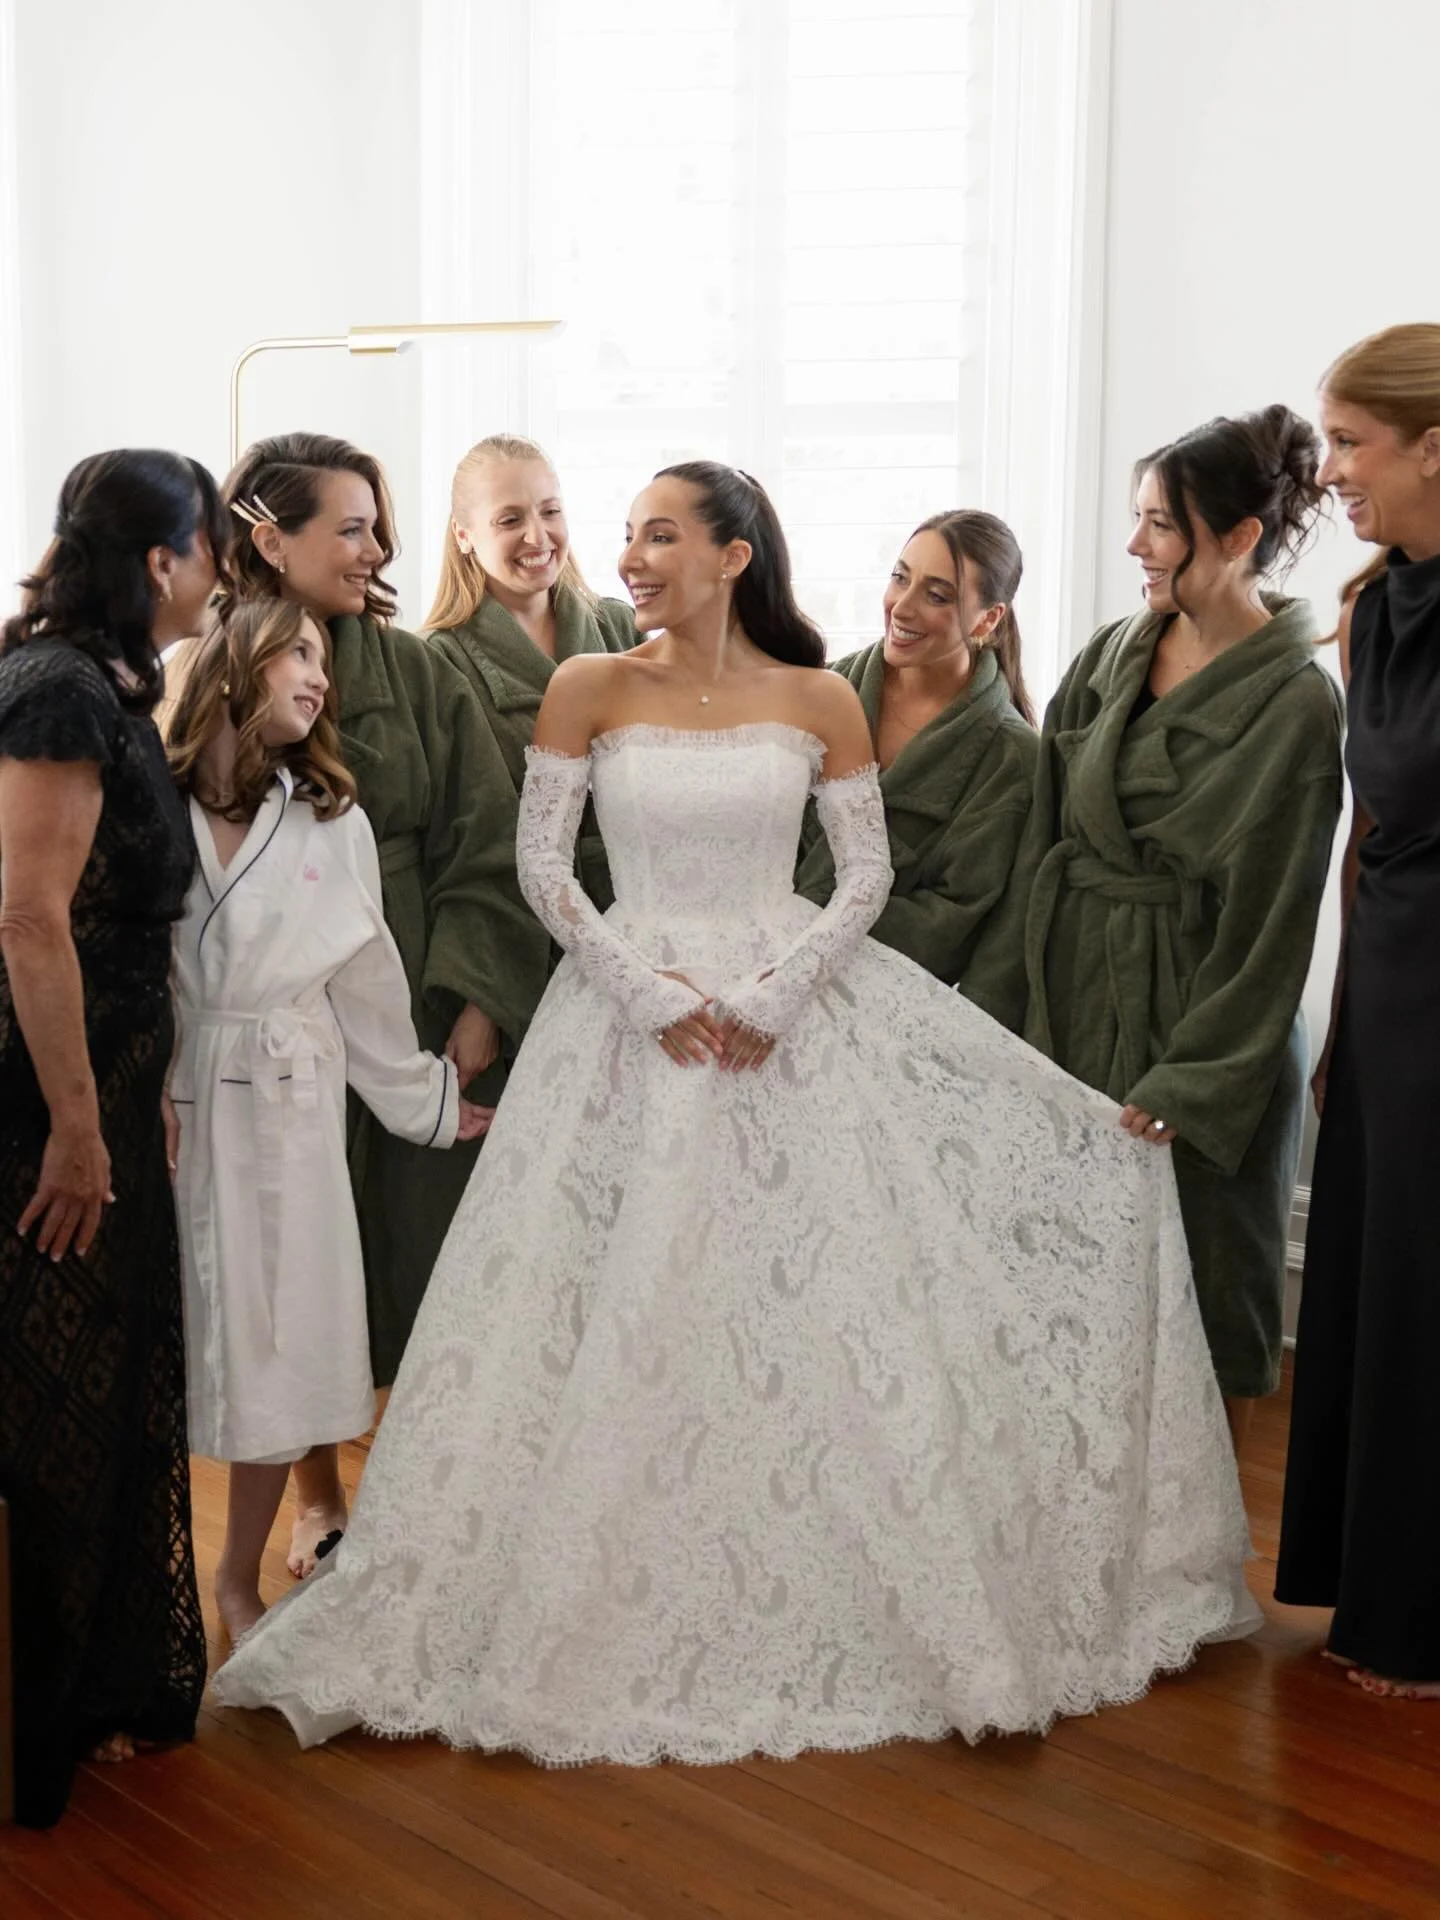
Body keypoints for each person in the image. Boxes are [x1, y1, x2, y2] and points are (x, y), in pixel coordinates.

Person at [215, 459, 1255, 1760]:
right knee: (605, 1305)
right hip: (623, 1019)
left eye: (660, 536)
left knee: (823, 1302)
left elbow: (863, 873)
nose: (631, 557)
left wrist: (776, 989)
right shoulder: (590, 688)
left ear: (733, 556)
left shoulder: (819, 697)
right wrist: (643, 991)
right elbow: (544, 866)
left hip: (786, 1010)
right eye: (631, 535)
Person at [970, 408, 1343, 1451]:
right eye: (1136, 520)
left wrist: (1195, 1077)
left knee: (1201, 1285)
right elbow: (1037, 844)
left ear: (1237, 538)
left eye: (1159, 525)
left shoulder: (1298, 705)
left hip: (1200, 1024)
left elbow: (1277, 921)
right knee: (1059, 1277)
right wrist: (1006, 1018)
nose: (1134, 545)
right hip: (1071, 998)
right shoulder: (1111, 654)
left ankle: (1196, 1562)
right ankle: (1072, 1529)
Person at [215, 431, 549, 1579]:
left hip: (419, 1006)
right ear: (271, 539)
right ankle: (317, 1502)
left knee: (427, 1242)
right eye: (351, 527)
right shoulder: (210, 670)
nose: (379, 549)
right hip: (276, 1026)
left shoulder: (416, 670)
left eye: (378, 524)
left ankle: (418, 1486)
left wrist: (480, 1002)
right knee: (301, 1261)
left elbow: (487, 834)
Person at [163, 599, 491, 1641]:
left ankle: (234, 1580)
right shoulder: (146, 800)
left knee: (282, 1340)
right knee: (169, 1333)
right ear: (233, 662)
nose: (319, 675)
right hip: (173, 1095)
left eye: (323, 660)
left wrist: (428, 1102)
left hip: (291, 1097)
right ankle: (151, 1586)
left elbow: (368, 982)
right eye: (295, 654)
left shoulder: (329, 819)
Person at [0, 449, 219, 1827]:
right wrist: (78, 1133)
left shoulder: (101, 679)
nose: (218, 576)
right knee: (56, 1398)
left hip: (105, 1081)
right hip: (42, 1098)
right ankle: (45, 1713)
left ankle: (97, 1689)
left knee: (112, 1376)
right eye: (208, 548)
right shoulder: (64, 691)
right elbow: (28, 919)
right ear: (159, 560)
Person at [1276, 324, 1440, 1701]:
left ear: (1435, 444)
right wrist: (1338, 1012)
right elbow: (1368, 820)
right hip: (1391, 979)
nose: (1329, 470)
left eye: (1349, 442)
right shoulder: (1378, 606)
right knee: (1381, 1282)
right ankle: (1375, 1595)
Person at [423, 434, 635, 1108]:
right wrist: (486, 999)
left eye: (550, 511)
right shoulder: (438, 662)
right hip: (526, 961)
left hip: (637, 944)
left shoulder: (622, 630)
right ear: (464, 536)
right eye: (509, 519)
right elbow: (474, 838)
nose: (537, 536)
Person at [794, 510, 1036, 987]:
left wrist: (808, 928)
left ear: (988, 618)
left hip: (885, 996)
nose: (902, 607)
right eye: (899, 578)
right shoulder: (822, 692)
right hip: (749, 969)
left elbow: (951, 922)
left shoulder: (1012, 759)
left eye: (937, 595)